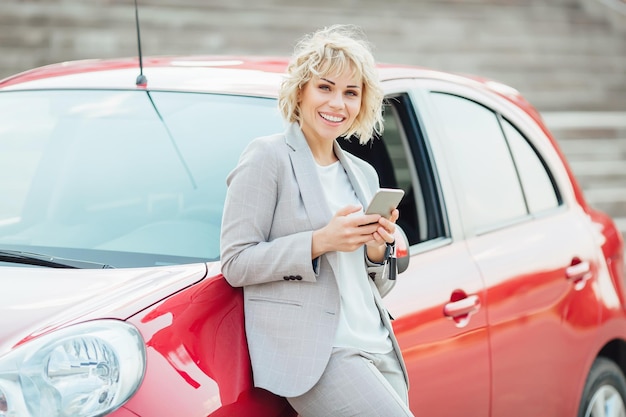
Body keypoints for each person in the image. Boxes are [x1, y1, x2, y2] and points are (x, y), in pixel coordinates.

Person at [220, 24, 414, 417]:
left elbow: (377, 283)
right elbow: (235, 262)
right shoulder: (267, 157)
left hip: (378, 344)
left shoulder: (362, 173)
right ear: (301, 91)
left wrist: (377, 249)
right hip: (321, 355)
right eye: (325, 87)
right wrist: (320, 241)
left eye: (350, 92)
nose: (337, 103)